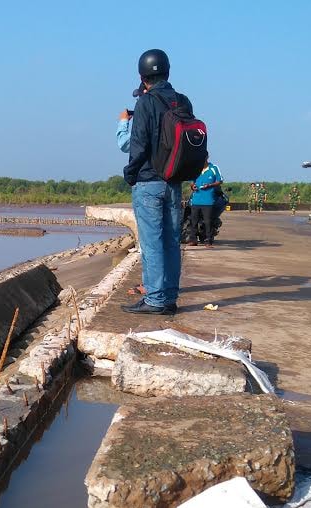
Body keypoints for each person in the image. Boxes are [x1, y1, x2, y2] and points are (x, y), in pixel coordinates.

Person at [122, 48, 193, 316]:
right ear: (168, 72)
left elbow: (138, 145)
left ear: (142, 77)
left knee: (152, 244)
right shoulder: (183, 101)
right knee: (171, 243)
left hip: (148, 183)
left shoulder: (146, 102)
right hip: (174, 182)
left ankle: (155, 300)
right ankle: (169, 297)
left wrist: (130, 173)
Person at [188, 159, 222, 247]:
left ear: (206, 157)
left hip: (208, 201)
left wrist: (210, 185)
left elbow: (220, 181)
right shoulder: (196, 168)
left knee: (208, 221)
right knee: (193, 221)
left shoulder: (214, 168)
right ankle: (193, 240)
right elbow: (192, 182)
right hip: (196, 200)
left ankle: (208, 241)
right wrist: (193, 186)